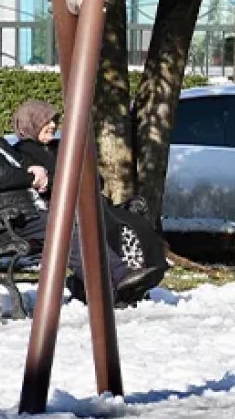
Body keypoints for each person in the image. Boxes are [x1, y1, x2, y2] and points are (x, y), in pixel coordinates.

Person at [0, 90, 136, 304]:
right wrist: (30, 178)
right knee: (64, 230)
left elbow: (16, 164)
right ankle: (117, 280)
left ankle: (109, 287)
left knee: (78, 224)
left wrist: (34, 170)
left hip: (22, 212)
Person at [10, 98, 168, 305]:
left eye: (54, 121)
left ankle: (137, 274)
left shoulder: (60, 146)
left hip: (87, 201)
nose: (52, 126)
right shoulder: (23, 152)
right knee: (101, 221)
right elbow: (45, 184)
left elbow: (93, 176)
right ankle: (116, 283)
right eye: (45, 121)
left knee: (130, 220)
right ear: (31, 123)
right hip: (60, 208)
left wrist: (85, 178)